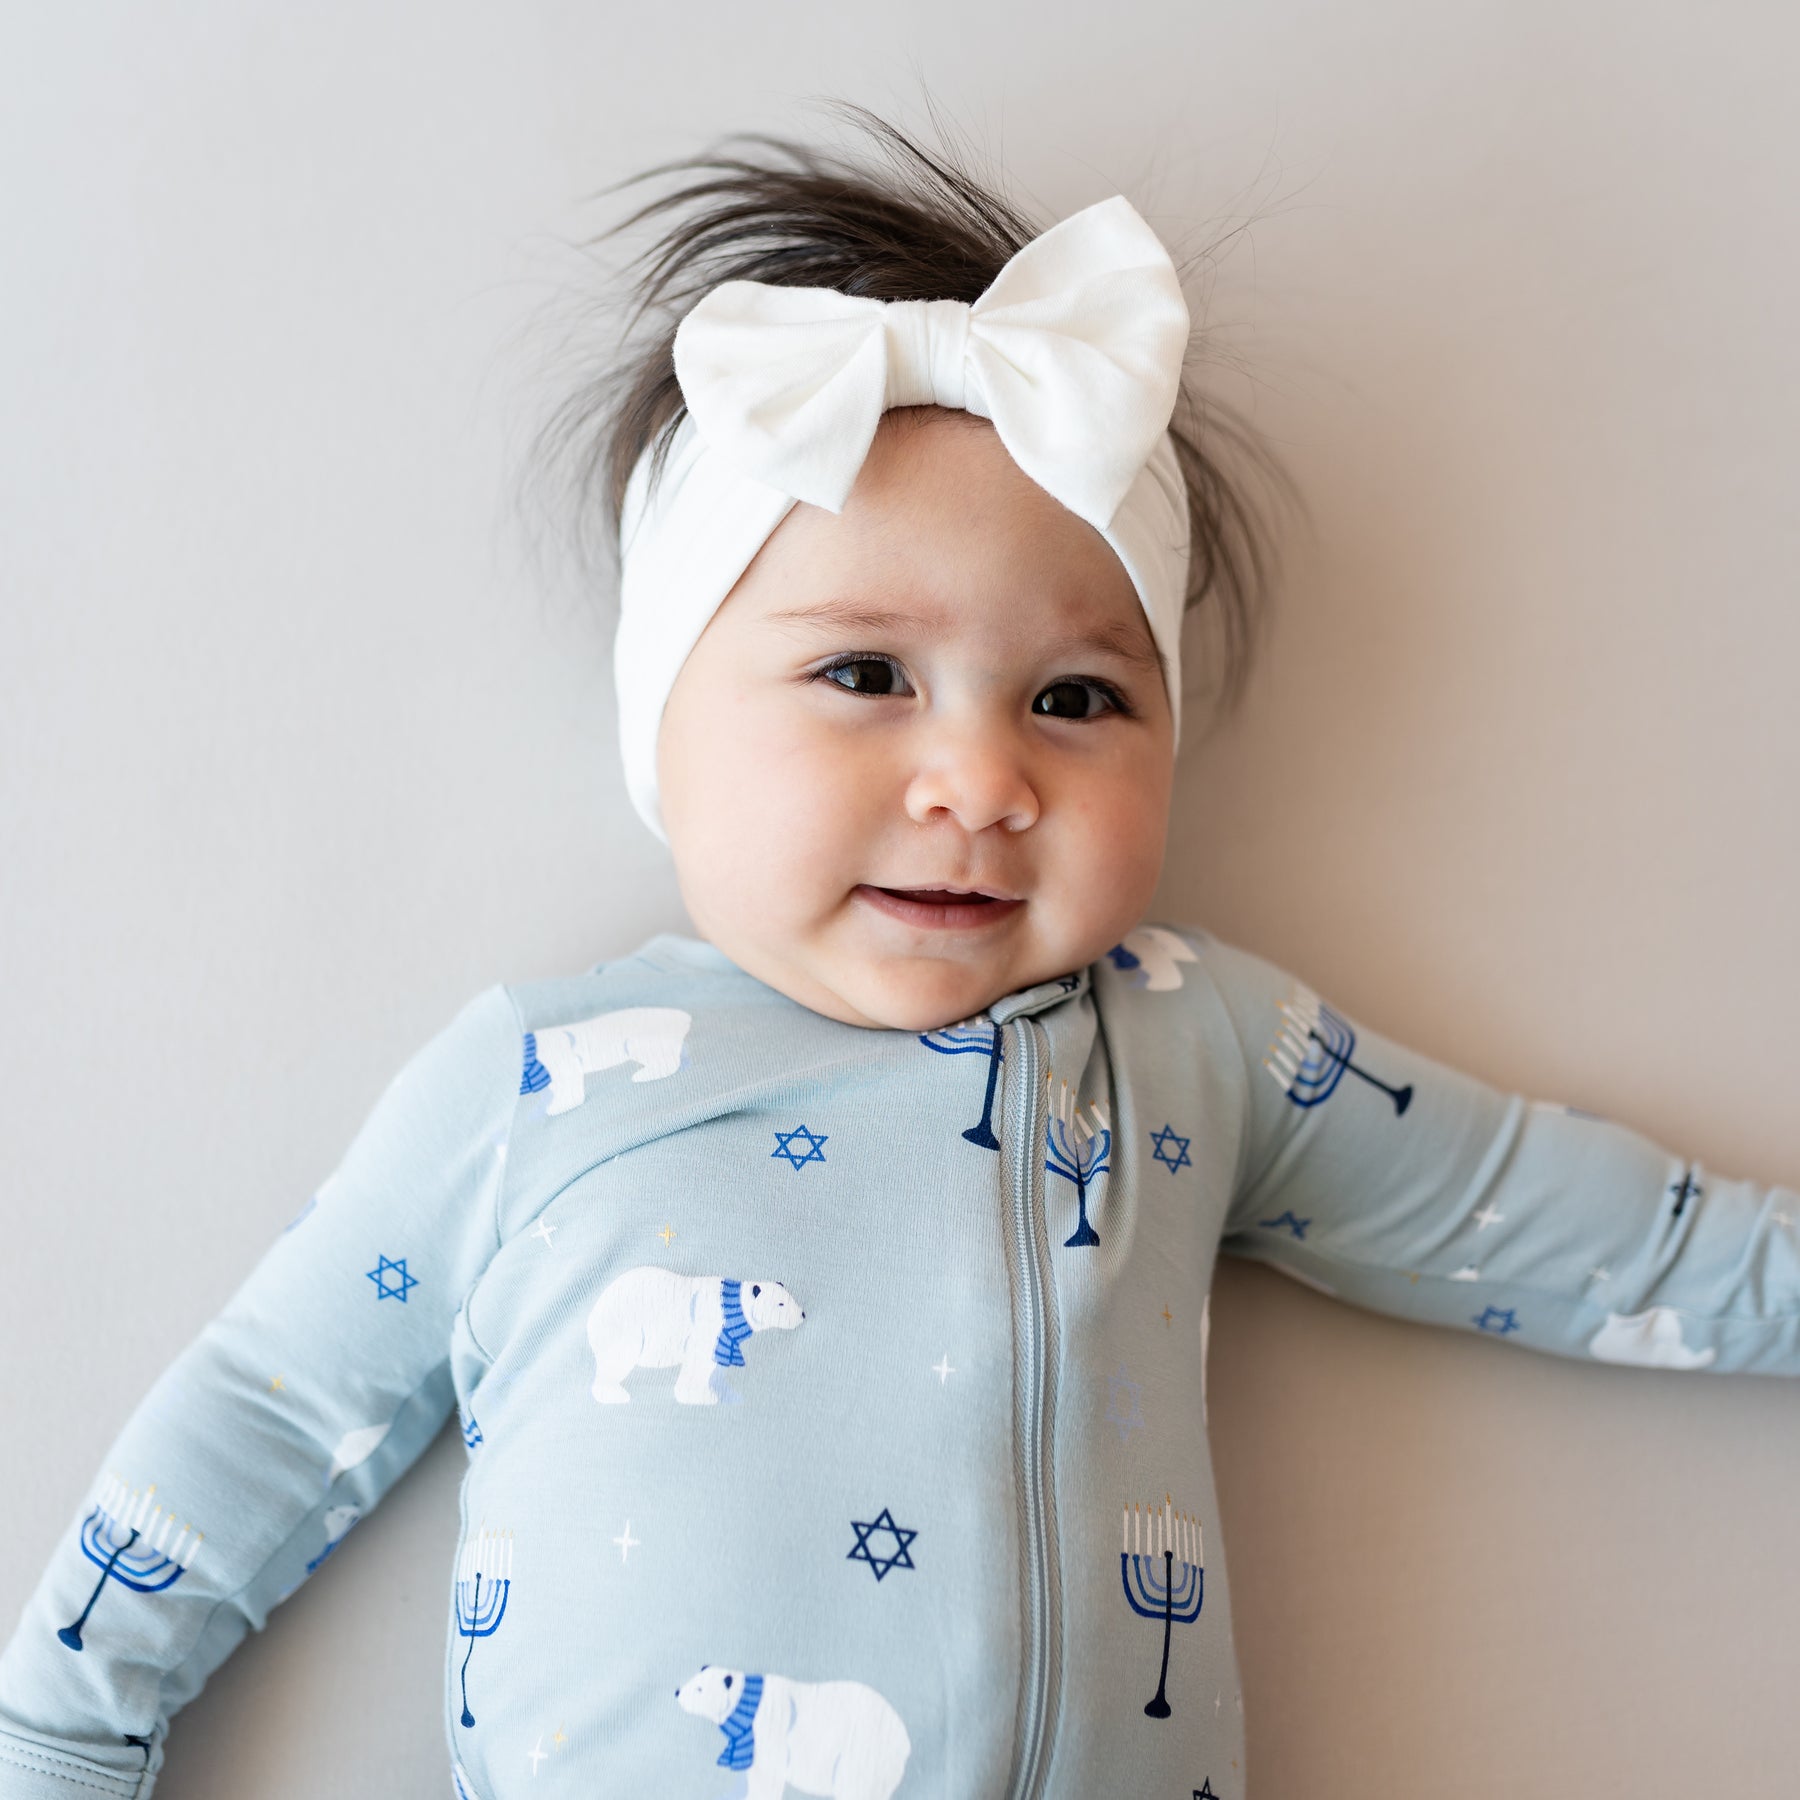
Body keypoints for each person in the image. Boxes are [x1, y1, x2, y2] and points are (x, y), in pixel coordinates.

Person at [2, 107, 1793, 1800]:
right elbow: (261, 1411)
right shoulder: (538, 1078)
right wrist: (64, 1742)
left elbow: (1553, 1216)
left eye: (1078, 697)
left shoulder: (1192, 1039)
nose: (982, 781)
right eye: (865, 674)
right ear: (670, 720)